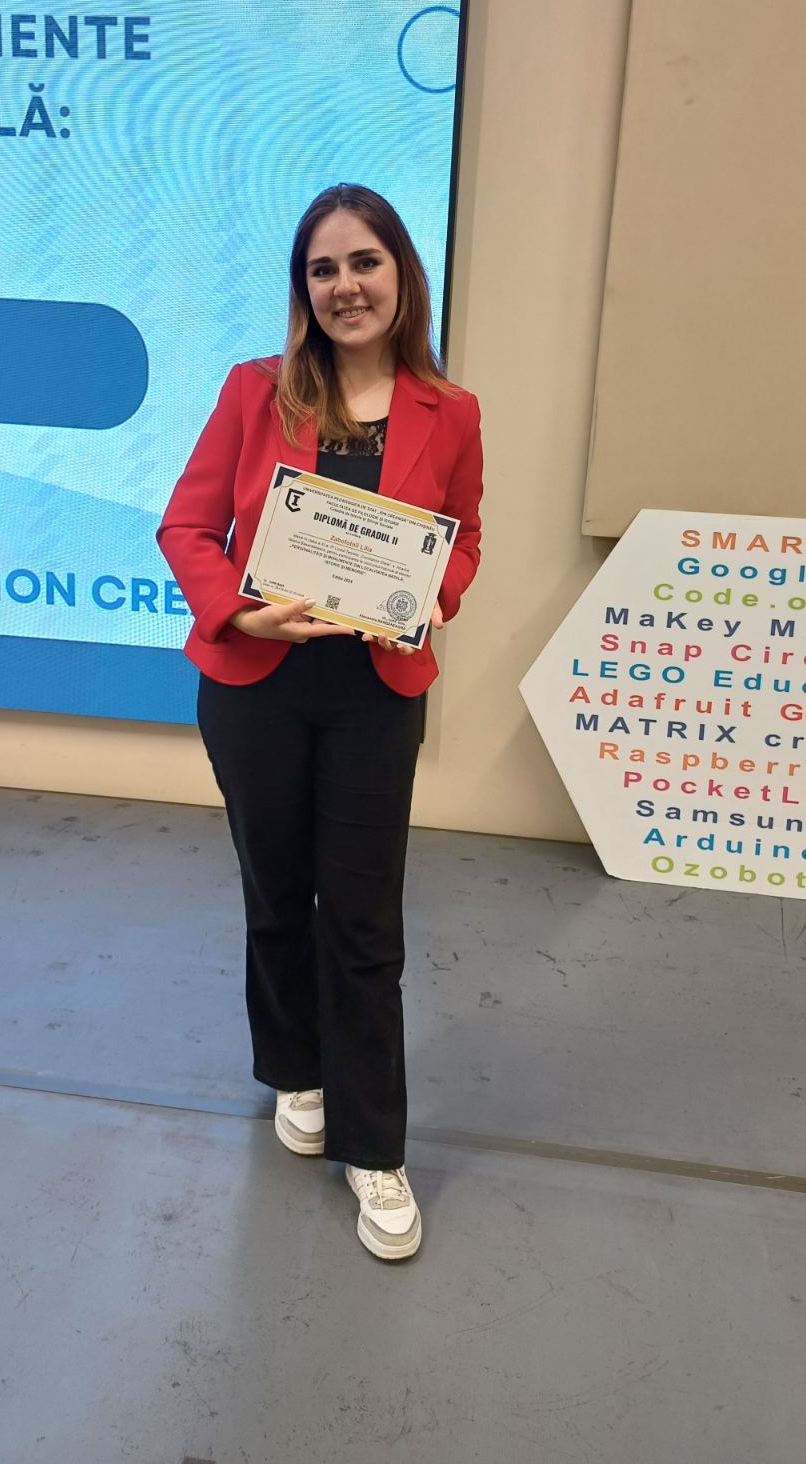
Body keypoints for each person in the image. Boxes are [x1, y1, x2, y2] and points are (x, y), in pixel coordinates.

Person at [157, 183, 484, 1260]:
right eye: (323, 268)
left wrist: (428, 597)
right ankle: (295, 1068)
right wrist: (242, 610)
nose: (346, 286)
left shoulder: (451, 410)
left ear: (402, 275)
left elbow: (464, 536)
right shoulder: (256, 390)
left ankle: (375, 1146)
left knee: (364, 917)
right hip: (258, 682)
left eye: (364, 262)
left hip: (373, 694)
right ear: (304, 288)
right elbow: (187, 527)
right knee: (276, 891)